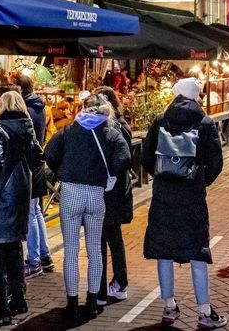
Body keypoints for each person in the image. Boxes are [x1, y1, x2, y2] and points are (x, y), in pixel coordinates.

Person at [141, 78, 227, 329]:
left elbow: (146, 156)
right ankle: (204, 311)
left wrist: (163, 175)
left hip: (163, 195)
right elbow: (216, 162)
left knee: (163, 251)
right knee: (197, 250)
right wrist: (200, 181)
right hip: (192, 197)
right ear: (196, 96)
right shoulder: (205, 123)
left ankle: (168, 306)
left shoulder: (160, 121)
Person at [44, 97, 130, 320]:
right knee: (95, 250)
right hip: (95, 194)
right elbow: (124, 158)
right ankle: (92, 301)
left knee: (71, 251)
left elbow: (50, 155)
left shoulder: (69, 130)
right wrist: (109, 173)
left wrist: (64, 168)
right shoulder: (110, 132)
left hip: (71, 192)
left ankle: (72, 303)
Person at [0, 91, 43, 326]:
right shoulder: (28, 129)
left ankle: (3, 307)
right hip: (21, 194)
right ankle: (19, 299)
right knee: (15, 248)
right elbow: (39, 156)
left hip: (1, 195)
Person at [94, 86, 134, 307]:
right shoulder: (123, 125)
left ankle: (101, 290)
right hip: (117, 191)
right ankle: (119, 283)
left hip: (108, 191)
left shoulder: (112, 127)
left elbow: (122, 159)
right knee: (114, 238)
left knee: (102, 239)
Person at [14, 74, 53, 278]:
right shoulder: (39, 107)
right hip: (36, 164)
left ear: (20, 89)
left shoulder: (27, 111)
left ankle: (34, 260)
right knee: (36, 212)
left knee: (30, 213)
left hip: (29, 165)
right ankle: (44, 255)